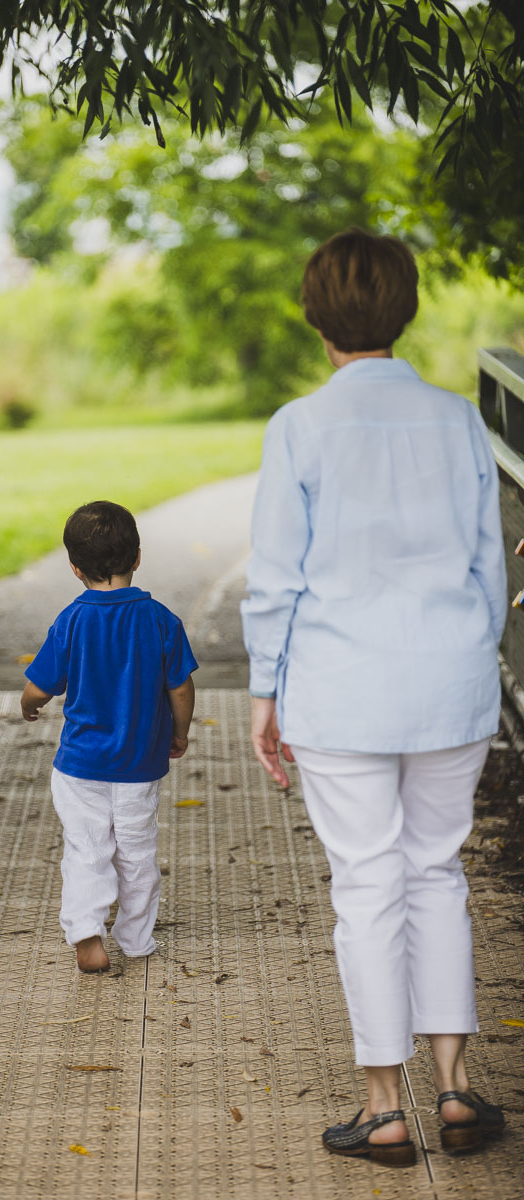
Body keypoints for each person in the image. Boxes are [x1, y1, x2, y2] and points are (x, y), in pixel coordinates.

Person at [242, 228, 507, 1166]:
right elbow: (486, 565)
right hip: (449, 681)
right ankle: (457, 1091)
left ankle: (384, 1107)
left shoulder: (299, 427)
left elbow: (276, 578)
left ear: (316, 315)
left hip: (341, 685)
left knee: (366, 883)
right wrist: (478, 657)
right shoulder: (457, 421)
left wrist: (264, 690)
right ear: (406, 307)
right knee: (436, 871)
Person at [21, 500, 197, 973]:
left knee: (87, 848)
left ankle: (85, 932)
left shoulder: (72, 620)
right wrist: (179, 733)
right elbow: (180, 686)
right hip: (139, 766)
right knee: (138, 852)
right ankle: (137, 939)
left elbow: (40, 685)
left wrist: (28, 705)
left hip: (80, 767)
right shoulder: (161, 620)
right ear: (137, 557)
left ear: (75, 568)